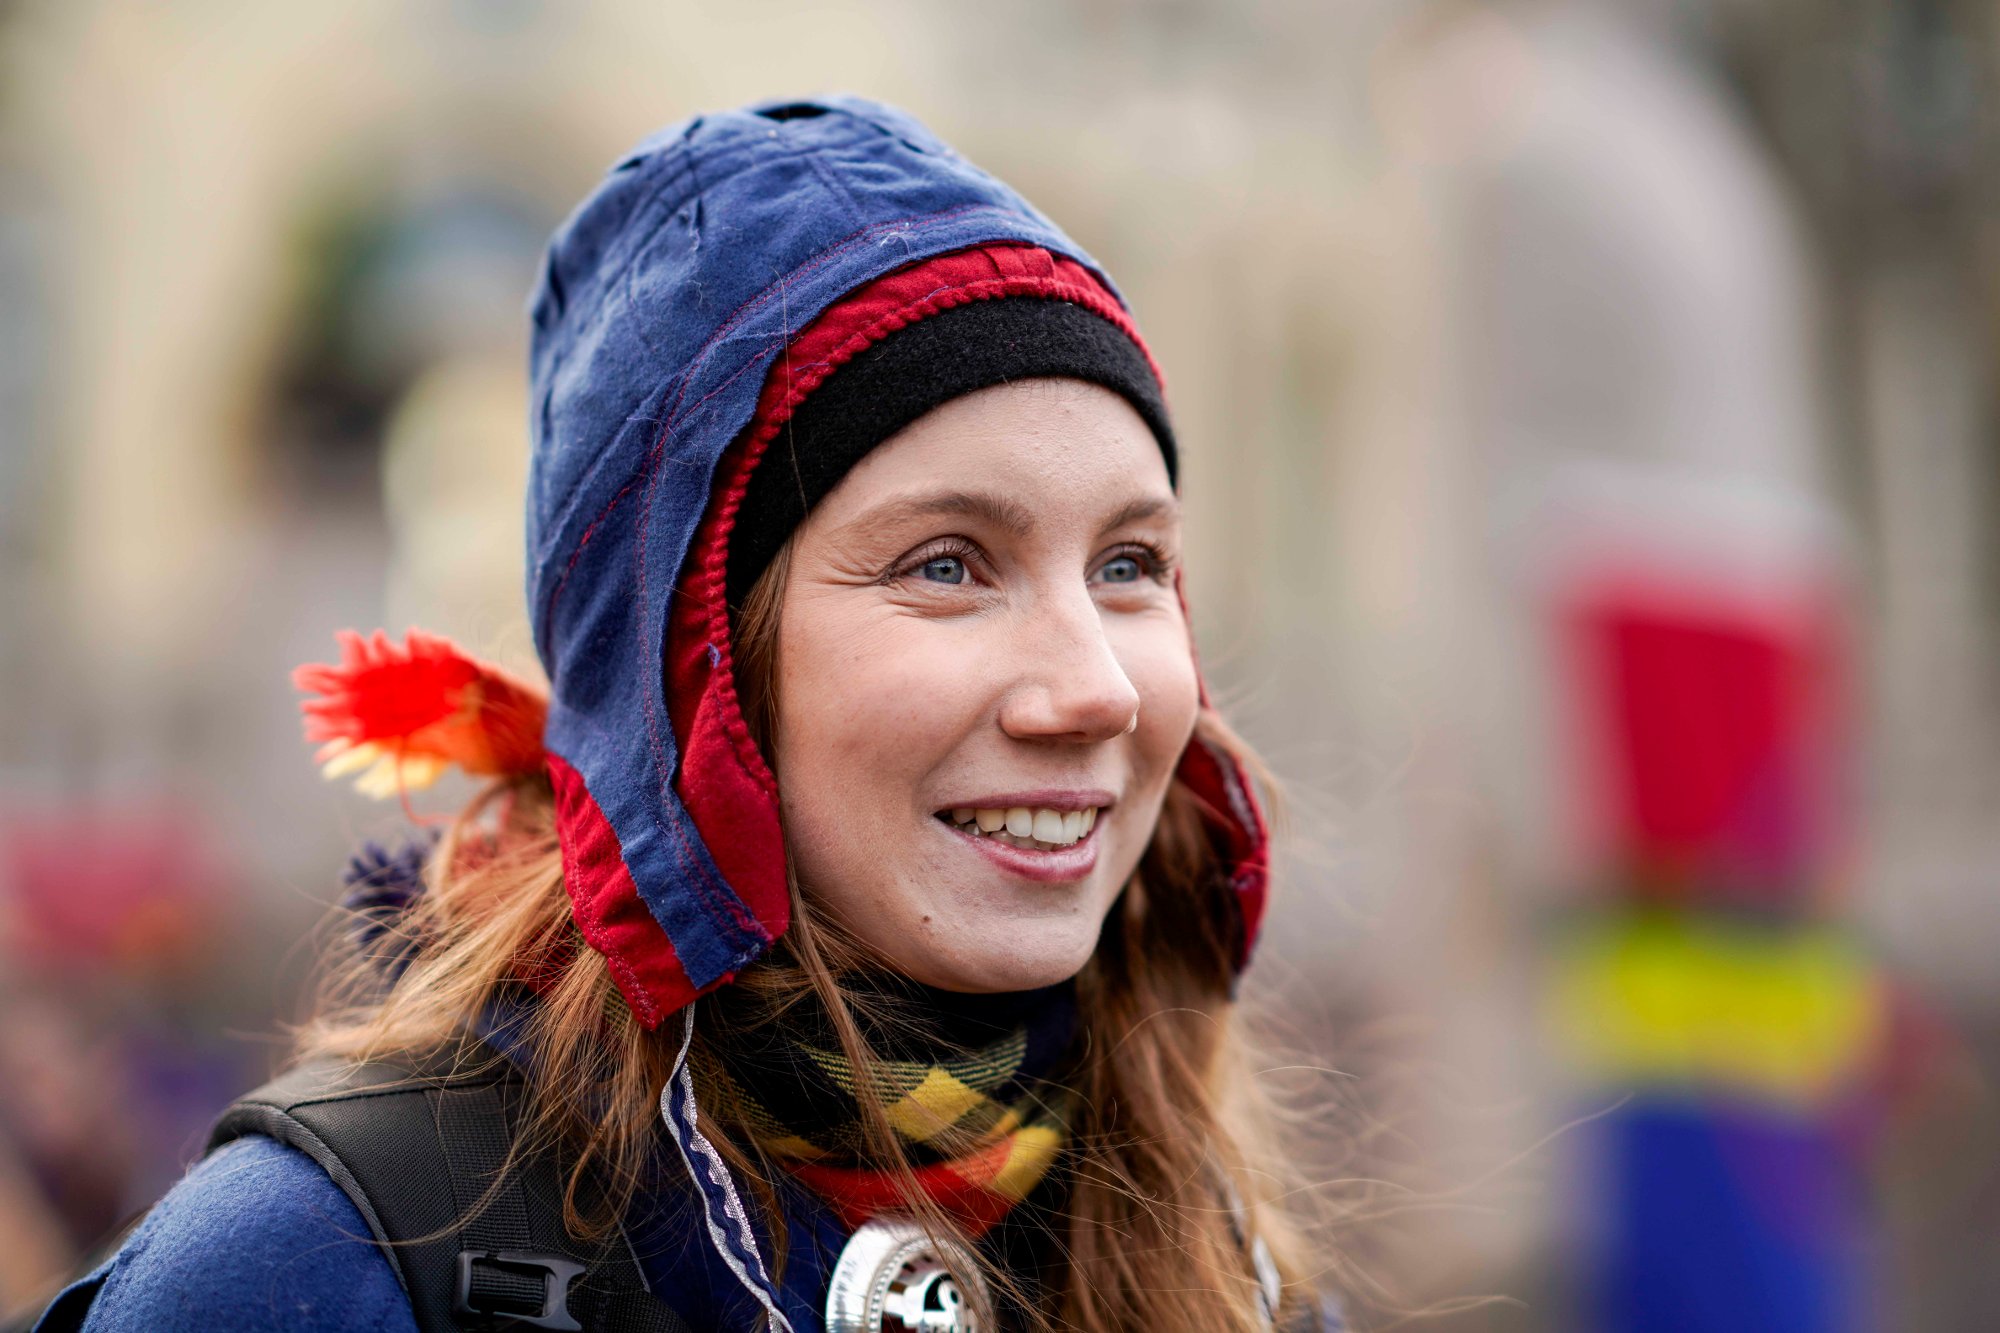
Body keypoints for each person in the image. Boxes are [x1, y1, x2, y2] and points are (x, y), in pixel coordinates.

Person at [34, 95, 1341, 1333]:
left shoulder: (1225, 1259)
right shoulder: (324, 1267)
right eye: (947, 564)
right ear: (692, 674)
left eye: (1129, 564)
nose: (1097, 688)